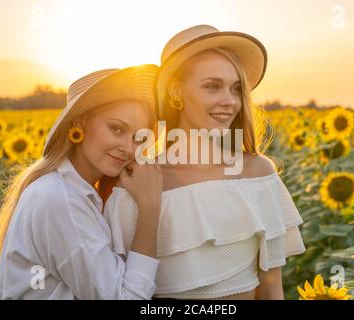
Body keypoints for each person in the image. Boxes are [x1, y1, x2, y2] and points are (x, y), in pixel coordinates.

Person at [103, 25, 306, 299]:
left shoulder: (258, 175)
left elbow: (271, 290)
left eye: (236, 89)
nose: (229, 101)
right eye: (212, 87)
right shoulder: (137, 183)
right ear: (176, 92)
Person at [0, 65, 163, 299]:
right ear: (79, 123)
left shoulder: (65, 189)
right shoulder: (61, 199)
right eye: (117, 128)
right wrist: (150, 208)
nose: (129, 148)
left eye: (139, 138)